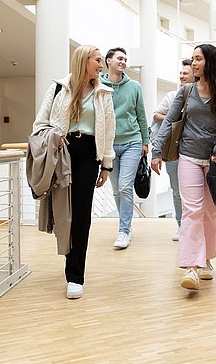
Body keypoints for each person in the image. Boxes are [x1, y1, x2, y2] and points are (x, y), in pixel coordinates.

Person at [151, 44, 216, 291]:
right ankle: (192, 266)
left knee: (210, 212)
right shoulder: (187, 90)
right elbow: (169, 122)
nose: (193, 63)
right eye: (192, 59)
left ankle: (207, 259)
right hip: (188, 157)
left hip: (215, 162)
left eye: (198, 59)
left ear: (210, 62)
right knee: (192, 210)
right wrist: (157, 152)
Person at [32, 45, 115, 299]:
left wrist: (106, 165)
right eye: (98, 60)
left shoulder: (103, 93)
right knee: (64, 213)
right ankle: (69, 261)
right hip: (63, 152)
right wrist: (54, 137)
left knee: (81, 214)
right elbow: (39, 123)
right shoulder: (59, 88)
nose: (101, 65)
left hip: (89, 155)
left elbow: (109, 130)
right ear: (84, 61)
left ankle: (75, 275)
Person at [100, 47, 149, 250]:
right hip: (109, 145)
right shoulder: (98, 84)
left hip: (132, 142)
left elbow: (141, 116)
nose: (123, 61)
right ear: (108, 61)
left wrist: (145, 142)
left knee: (125, 187)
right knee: (117, 191)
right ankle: (124, 227)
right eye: (119, 58)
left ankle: (124, 231)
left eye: (125, 59)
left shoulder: (135, 86)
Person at [151, 59, 195, 241]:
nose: (181, 76)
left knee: (193, 193)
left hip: (194, 151)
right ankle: (181, 226)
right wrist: (175, 119)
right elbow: (156, 115)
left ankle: (194, 228)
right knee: (177, 191)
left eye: (185, 73)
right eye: (181, 73)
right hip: (173, 151)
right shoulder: (172, 96)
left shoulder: (202, 96)